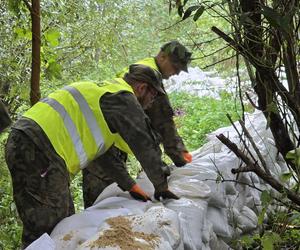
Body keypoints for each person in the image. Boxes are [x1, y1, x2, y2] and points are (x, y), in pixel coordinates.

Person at [5, 64, 179, 248]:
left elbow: (102, 155)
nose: (152, 102)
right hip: (38, 150)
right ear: (141, 88)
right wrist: (161, 186)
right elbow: (145, 145)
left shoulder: (105, 94)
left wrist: (130, 185)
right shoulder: (123, 99)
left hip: (29, 143)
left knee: (62, 224)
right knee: (47, 229)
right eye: (153, 95)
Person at [82, 40, 193, 208]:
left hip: (105, 140)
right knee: (104, 202)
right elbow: (162, 126)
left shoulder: (137, 69)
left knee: (105, 200)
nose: (176, 73)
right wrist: (180, 158)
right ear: (162, 56)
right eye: (175, 66)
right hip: (105, 145)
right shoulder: (149, 81)